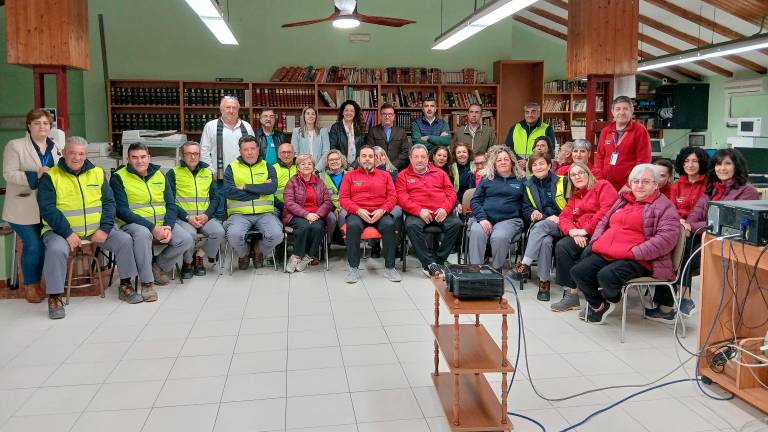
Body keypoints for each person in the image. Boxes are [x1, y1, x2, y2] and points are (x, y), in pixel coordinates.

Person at [37, 137, 141, 318]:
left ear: (86, 155)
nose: (76, 157)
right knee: (55, 250)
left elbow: (109, 203)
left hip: (96, 229)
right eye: (72, 153)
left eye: (81, 153)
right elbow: (48, 209)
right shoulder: (51, 176)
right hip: (60, 232)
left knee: (124, 240)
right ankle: (54, 297)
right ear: (64, 152)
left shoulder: (98, 173)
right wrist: (67, 233)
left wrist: (105, 229)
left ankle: (125, 284)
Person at [570, 164, 679, 324]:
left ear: (655, 185)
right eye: (636, 181)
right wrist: (596, 241)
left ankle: (612, 298)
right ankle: (600, 306)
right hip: (609, 251)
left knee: (606, 276)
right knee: (578, 272)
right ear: (631, 183)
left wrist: (635, 252)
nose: (640, 185)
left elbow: (665, 240)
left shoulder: (664, 207)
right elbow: (603, 222)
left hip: (639, 258)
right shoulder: (623, 200)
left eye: (646, 181)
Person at [668, 149, 759, 319]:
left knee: (684, 254)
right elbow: (697, 212)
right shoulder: (712, 188)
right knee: (681, 245)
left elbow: (727, 224)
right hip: (706, 238)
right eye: (718, 164)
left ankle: (683, 297)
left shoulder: (747, 191)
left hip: (729, 243)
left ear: (736, 166)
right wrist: (688, 225)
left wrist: (691, 226)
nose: (722, 168)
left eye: (727, 164)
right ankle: (683, 297)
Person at [111, 143, 194, 301]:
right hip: (134, 225)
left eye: (143, 157)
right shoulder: (118, 177)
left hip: (162, 223)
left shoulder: (159, 175)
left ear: (149, 158)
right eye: (134, 157)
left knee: (186, 239)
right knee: (143, 235)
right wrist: (152, 228)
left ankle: (157, 267)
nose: (139, 161)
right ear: (128, 159)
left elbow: (171, 204)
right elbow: (122, 210)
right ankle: (147, 283)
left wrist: (168, 226)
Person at [2, 109, 62, 301]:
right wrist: (35, 174)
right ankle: (31, 286)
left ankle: (44, 284)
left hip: (47, 206)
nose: (41, 127)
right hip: (23, 206)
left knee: (45, 245)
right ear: (29, 126)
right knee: (33, 245)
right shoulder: (15, 146)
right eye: (37, 123)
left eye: (45, 123)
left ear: (50, 126)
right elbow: (9, 174)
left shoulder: (55, 147)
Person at [551, 163, 618, 312]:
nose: (577, 176)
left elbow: (606, 211)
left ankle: (595, 297)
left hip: (602, 234)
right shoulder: (575, 196)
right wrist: (573, 231)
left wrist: (585, 230)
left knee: (587, 252)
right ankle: (571, 294)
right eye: (573, 175)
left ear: (588, 173)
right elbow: (564, 217)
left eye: (581, 172)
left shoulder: (603, 186)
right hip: (580, 234)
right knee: (562, 246)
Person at [510, 154, 568, 301]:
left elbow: (573, 204)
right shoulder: (528, 185)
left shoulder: (563, 181)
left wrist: (561, 217)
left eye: (541, 163)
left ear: (549, 165)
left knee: (541, 228)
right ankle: (544, 282)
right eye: (534, 165)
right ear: (531, 169)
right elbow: (526, 209)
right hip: (543, 225)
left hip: (564, 223)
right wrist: (534, 213)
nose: (538, 167)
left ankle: (524, 264)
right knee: (545, 242)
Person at [397, 144, 461, 277]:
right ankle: (429, 263)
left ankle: (437, 261)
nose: (419, 160)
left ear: (428, 159)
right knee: (411, 225)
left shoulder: (440, 173)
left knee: (457, 224)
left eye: (422, 157)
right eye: (416, 157)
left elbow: (451, 194)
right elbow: (402, 198)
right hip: (418, 214)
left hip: (441, 213)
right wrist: (419, 211)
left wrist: (445, 208)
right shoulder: (403, 175)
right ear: (410, 158)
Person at [340, 146, 401, 283]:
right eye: (364, 156)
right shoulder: (349, 176)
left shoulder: (385, 175)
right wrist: (358, 210)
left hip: (380, 212)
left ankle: (390, 268)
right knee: (353, 226)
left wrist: (383, 210)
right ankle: (353, 268)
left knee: (390, 225)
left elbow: (392, 197)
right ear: (358, 159)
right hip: (358, 213)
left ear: (375, 159)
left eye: (370, 156)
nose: (367, 159)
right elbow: (343, 199)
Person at [223, 135, 283, 270]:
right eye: (246, 149)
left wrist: (245, 187)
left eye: (253, 149)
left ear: (258, 150)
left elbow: (271, 188)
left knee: (277, 235)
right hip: (239, 214)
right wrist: (260, 190)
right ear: (240, 151)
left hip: (265, 214)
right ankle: (243, 254)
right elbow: (229, 192)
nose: (250, 152)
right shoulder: (231, 168)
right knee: (233, 235)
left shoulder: (268, 166)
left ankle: (258, 250)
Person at [167, 141, 225, 278]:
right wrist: (187, 217)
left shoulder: (207, 172)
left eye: (195, 154)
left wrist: (207, 215)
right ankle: (188, 262)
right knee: (190, 235)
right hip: (184, 218)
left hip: (205, 217)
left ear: (199, 155)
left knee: (219, 232)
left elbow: (215, 198)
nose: (192, 157)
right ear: (182, 155)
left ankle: (198, 255)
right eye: (188, 154)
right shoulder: (173, 173)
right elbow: (170, 202)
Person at [467, 146, 525, 271]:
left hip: (509, 220)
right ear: (494, 163)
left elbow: (526, 204)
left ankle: (496, 269)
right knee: (477, 231)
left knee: (499, 236)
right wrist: (482, 218)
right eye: (499, 160)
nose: (503, 162)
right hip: (484, 218)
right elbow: (475, 201)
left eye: (506, 159)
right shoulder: (487, 178)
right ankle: (475, 270)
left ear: (512, 162)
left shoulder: (521, 180)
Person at [282, 154, 332, 273]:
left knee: (318, 227)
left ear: (313, 167)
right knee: (304, 227)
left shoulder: (320, 182)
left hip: (316, 215)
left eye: (309, 164)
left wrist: (318, 215)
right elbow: (289, 203)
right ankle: (296, 256)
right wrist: (306, 215)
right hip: (296, 215)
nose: (306, 166)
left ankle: (308, 257)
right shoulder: (292, 182)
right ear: (298, 167)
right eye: (303, 164)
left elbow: (327, 201)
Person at [595, 96, 651, 192]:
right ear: (613, 111)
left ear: (631, 111)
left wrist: (629, 184)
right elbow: (600, 157)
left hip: (628, 186)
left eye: (625, 109)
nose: (621, 112)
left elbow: (643, 161)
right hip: (606, 184)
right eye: (618, 109)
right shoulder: (606, 131)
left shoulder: (640, 130)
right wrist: (600, 181)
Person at [200, 95, 255, 179]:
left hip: (244, 176)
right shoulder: (210, 126)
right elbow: (204, 151)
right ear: (221, 109)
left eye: (234, 108)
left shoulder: (247, 126)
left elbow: (254, 150)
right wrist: (211, 171)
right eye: (228, 107)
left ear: (238, 110)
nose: (231, 111)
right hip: (218, 177)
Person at [503, 102, 557, 170]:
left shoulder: (547, 129)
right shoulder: (515, 128)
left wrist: (527, 161)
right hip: (518, 166)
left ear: (539, 113)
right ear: (524, 114)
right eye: (527, 112)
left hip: (537, 167)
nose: (530, 115)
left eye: (533, 112)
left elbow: (550, 150)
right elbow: (507, 148)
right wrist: (518, 160)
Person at [365, 103, 411, 169]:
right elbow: (370, 150)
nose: (387, 117)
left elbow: (405, 152)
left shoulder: (401, 131)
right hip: (378, 168)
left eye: (390, 114)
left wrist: (392, 166)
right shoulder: (373, 131)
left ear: (394, 116)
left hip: (397, 169)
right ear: (380, 116)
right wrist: (381, 165)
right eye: (384, 114)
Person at [669, 147, 709, 220]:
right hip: (680, 224)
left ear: (702, 163)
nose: (690, 165)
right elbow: (672, 211)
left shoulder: (709, 184)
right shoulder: (676, 186)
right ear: (682, 163)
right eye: (686, 161)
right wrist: (681, 221)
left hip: (701, 226)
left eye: (695, 161)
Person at [319, 149, 349, 241]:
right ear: (327, 163)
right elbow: (320, 198)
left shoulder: (350, 175)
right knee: (331, 218)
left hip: (346, 207)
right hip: (328, 208)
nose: (334, 161)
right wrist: (333, 209)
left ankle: (347, 242)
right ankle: (327, 243)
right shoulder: (321, 177)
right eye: (331, 160)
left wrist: (342, 207)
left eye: (337, 159)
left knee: (343, 215)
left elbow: (354, 195)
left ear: (342, 160)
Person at [273, 143, 297, 214]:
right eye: (283, 152)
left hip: (298, 206)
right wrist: (282, 206)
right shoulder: (272, 169)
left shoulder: (300, 168)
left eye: (289, 152)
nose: (286, 155)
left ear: (294, 154)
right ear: (278, 155)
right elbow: (268, 192)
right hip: (277, 206)